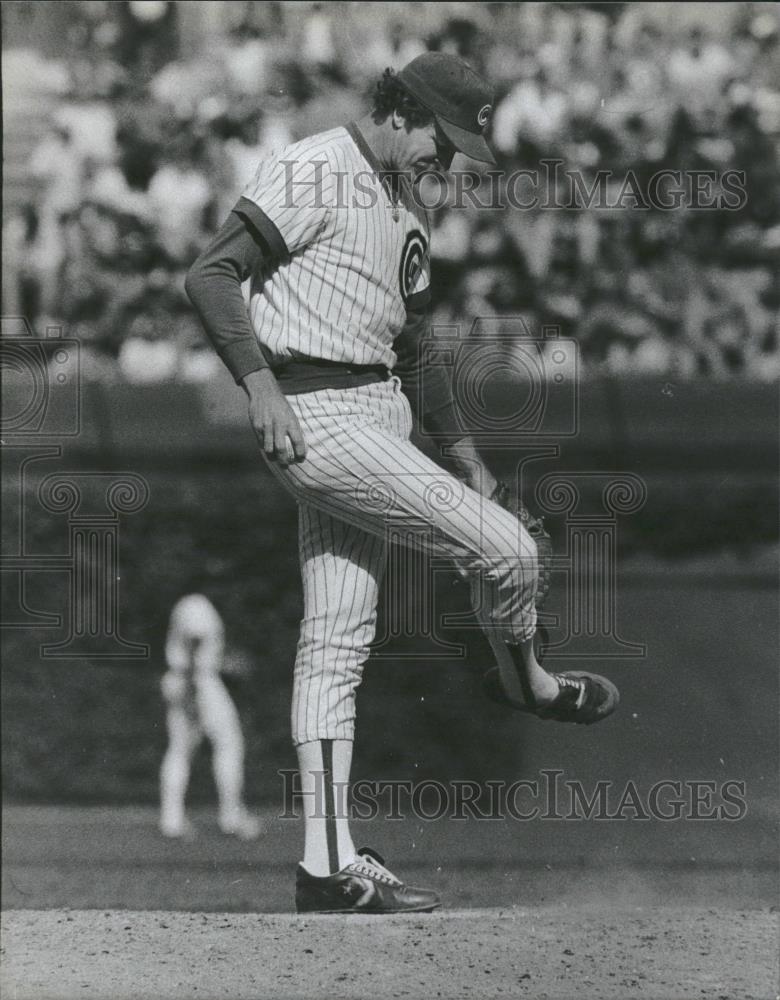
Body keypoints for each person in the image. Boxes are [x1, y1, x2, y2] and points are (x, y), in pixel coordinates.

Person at [186, 52, 618, 914]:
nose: (447, 162)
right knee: (507, 549)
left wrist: (460, 445)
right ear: (399, 109)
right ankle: (523, 680)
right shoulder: (317, 165)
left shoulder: (410, 198)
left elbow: (413, 344)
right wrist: (257, 383)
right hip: (316, 412)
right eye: (440, 139)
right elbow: (211, 274)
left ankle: (325, 865)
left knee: (336, 638)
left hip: (376, 407)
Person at [159, 593, 261, 840]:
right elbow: (195, 642)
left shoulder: (185, 603)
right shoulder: (197, 603)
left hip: (183, 678)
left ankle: (171, 820)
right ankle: (231, 817)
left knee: (180, 750)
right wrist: (194, 690)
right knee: (229, 745)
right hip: (197, 683)